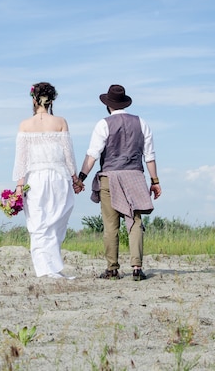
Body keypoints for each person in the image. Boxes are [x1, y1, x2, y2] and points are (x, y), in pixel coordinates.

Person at [76, 84, 162, 281]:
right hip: (135, 177)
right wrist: (155, 181)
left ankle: (112, 269)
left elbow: (92, 155)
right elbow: (150, 156)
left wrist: (81, 178)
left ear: (108, 105)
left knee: (110, 225)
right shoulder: (142, 123)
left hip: (110, 177)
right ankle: (136, 268)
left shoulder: (103, 124)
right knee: (135, 222)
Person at [12, 82, 82, 279]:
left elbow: (21, 159)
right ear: (51, 100)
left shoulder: (25, 125)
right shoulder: (60, 122)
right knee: (56, 221)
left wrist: (19, 185)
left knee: (38, 222)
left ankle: (46, 268)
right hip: (59, 177)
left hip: (36, 178)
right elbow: (69, 154)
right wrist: (75, 178)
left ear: (34, 99)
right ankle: (49, 267)